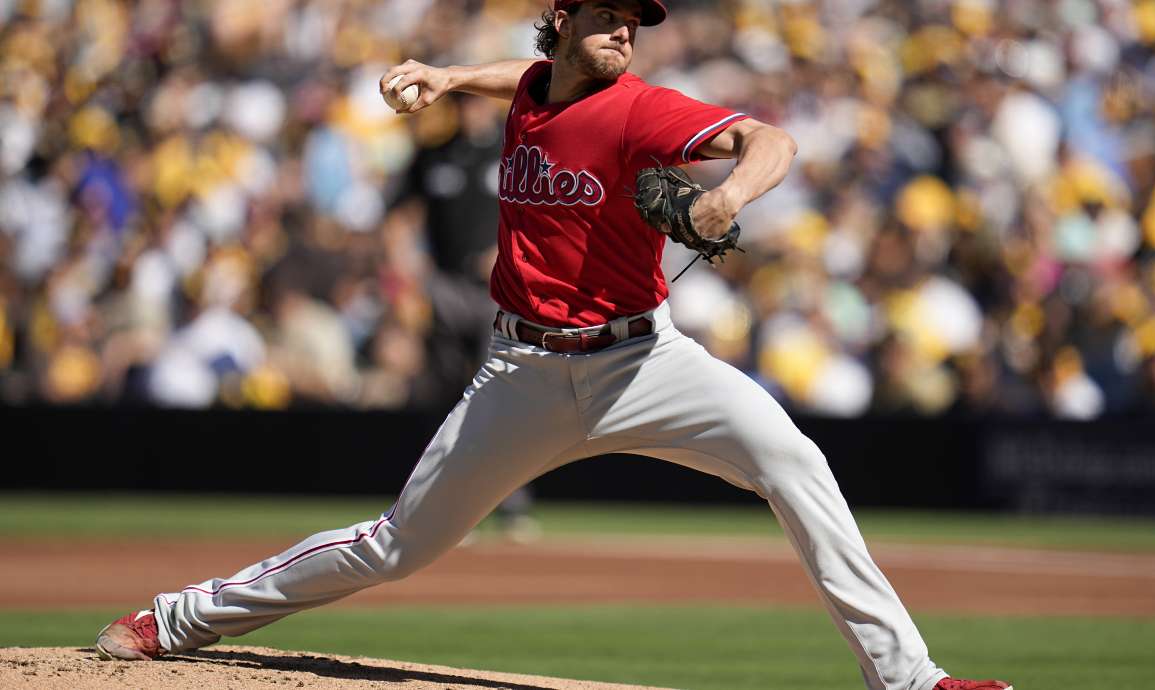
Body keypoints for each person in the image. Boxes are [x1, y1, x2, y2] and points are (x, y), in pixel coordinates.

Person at [95, 3, 1010, 689]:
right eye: (609, 15)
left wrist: (729, 195)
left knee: (795, 461)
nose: (626, 31)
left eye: (636, 20)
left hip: (645, 363)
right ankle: (176, 620)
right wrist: (451, 76)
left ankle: (912, 680)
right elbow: (524, 81)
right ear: (564, 22)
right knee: (394, 547)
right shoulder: (537, 86)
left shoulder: (639, 107)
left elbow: (768, 138)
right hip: (521, 372)